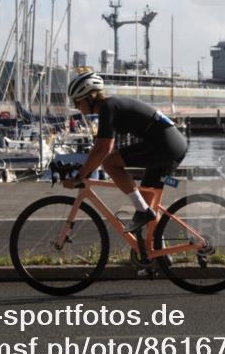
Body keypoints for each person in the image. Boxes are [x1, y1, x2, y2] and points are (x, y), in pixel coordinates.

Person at [63, 70, 188, 249]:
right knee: (146, 204)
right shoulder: (110, 107)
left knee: (110, 163)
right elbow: (104, 146)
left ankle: (144, 213)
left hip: (165, 145)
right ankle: (158, 254)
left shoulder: (108, 107)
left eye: (77, 102)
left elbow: (103, 150)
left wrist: (80, 176)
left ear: (90, 98)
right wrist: (85, 169)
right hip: (169, 144)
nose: (76, 107)